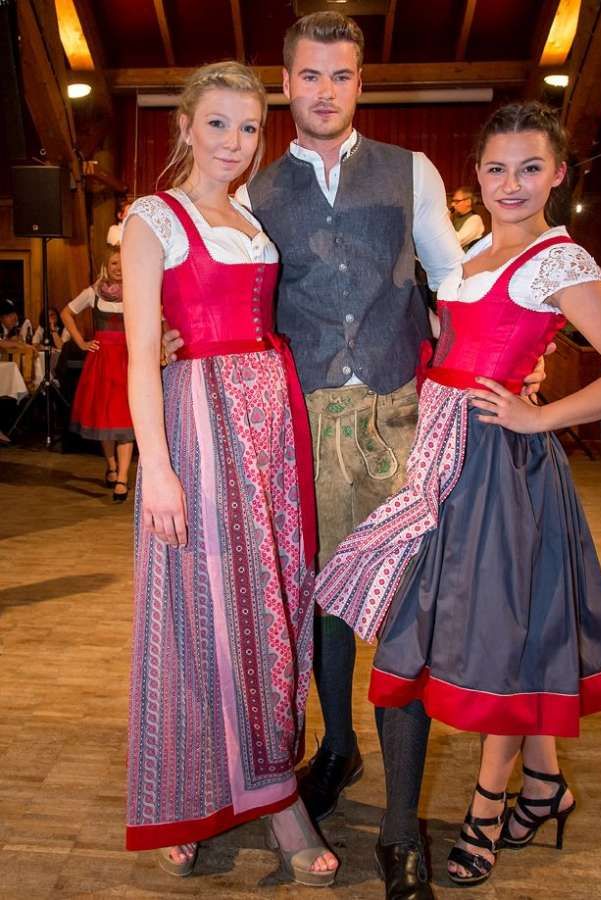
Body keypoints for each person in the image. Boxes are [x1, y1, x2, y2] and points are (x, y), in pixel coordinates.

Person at [161, 14, 548, 897]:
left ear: (359, 83)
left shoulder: (411, 171)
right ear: (285, 84)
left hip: (400, 417)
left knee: (404, 612)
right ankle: (336, 747)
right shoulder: (252, 191)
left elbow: (454, 281)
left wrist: (511, 355)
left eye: (340, 75)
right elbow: (223, 293)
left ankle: (401, 827)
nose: (324, 91)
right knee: (323, 602)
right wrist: (170, 342)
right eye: (309, 76)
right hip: (297, 425)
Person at [315, 101, 601, 889]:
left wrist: (540, 416)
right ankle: (544, 783)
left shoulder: (560, 260)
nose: (511, 183)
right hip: (441, 454)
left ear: (557, 174)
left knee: (500, 631)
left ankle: (487, 808)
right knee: (486, 621)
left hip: (500, 462)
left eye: (529, 168)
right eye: (496, 168)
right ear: (477, 174)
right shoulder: (474, 251)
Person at [121, 61, 338, 887]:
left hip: (267, 422)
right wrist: (158, 470)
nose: (234, 142)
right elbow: (142, 352)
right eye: (217, 123)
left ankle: (263, 776)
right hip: (202, 424)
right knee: (201, 605)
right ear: (184, 126)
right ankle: (205, 793)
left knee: (269, 605)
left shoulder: (247, 215)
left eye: (248, 127)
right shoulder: (154, 217)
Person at [61, 248, 134, 501]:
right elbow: (66, 313)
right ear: (106, 265)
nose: (119, 268)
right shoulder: (93, 292)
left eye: (123, 263)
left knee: (126, 419)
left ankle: (122, 478)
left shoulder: (136, 290)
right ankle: (112, 466)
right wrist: (81, 342)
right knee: (105, 417)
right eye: (114, 263)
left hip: (127, 360)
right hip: (102, 361)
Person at [450, 185, 485, 250]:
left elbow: (456, 242)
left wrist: (445, 221)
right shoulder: (456, 216)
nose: (452, 204)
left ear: (468, 202)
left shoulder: (475, 220)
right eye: (453, 201)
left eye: (457, 201)